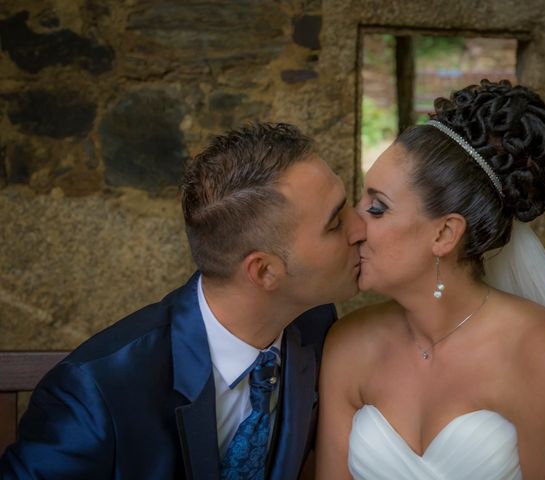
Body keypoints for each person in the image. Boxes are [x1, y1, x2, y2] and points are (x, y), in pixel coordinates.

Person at [0, 123, 366, 479]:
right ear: (264, 272)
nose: (360, 228)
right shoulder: (96, 392)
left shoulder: (315, 324)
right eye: (335, 224)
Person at [316, 80, 545, 479]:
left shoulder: (541, 355)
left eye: (377, 208)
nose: (354, 224)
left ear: (444, 234)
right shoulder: (348, 344)